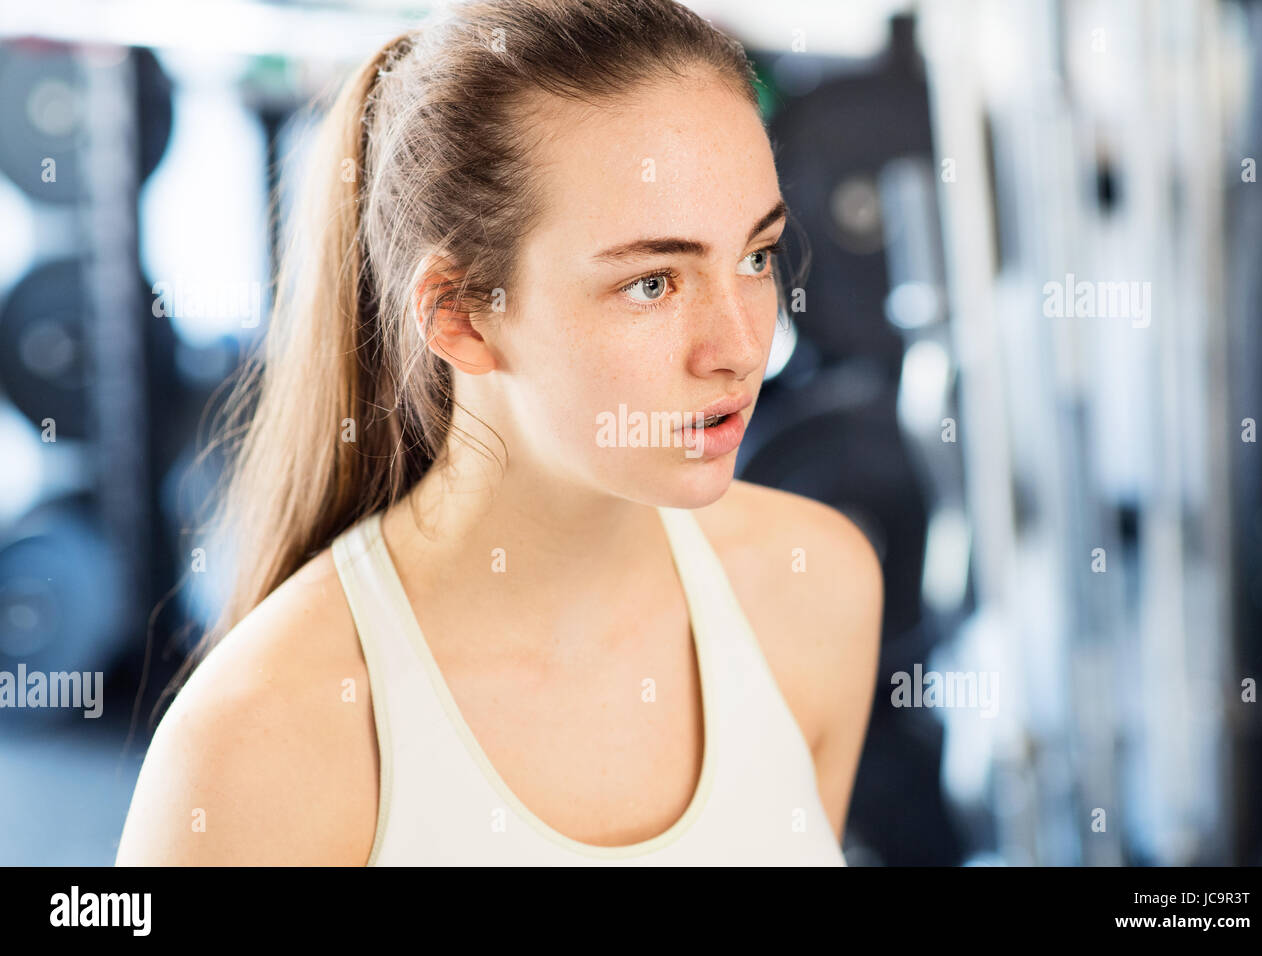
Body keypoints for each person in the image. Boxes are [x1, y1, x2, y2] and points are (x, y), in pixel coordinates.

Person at [116, 0, 882, 866]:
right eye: (653, 284)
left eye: (754, 257)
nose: (743, 348)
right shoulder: (262, 741)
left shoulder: (815, 588)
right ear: (461, 318)